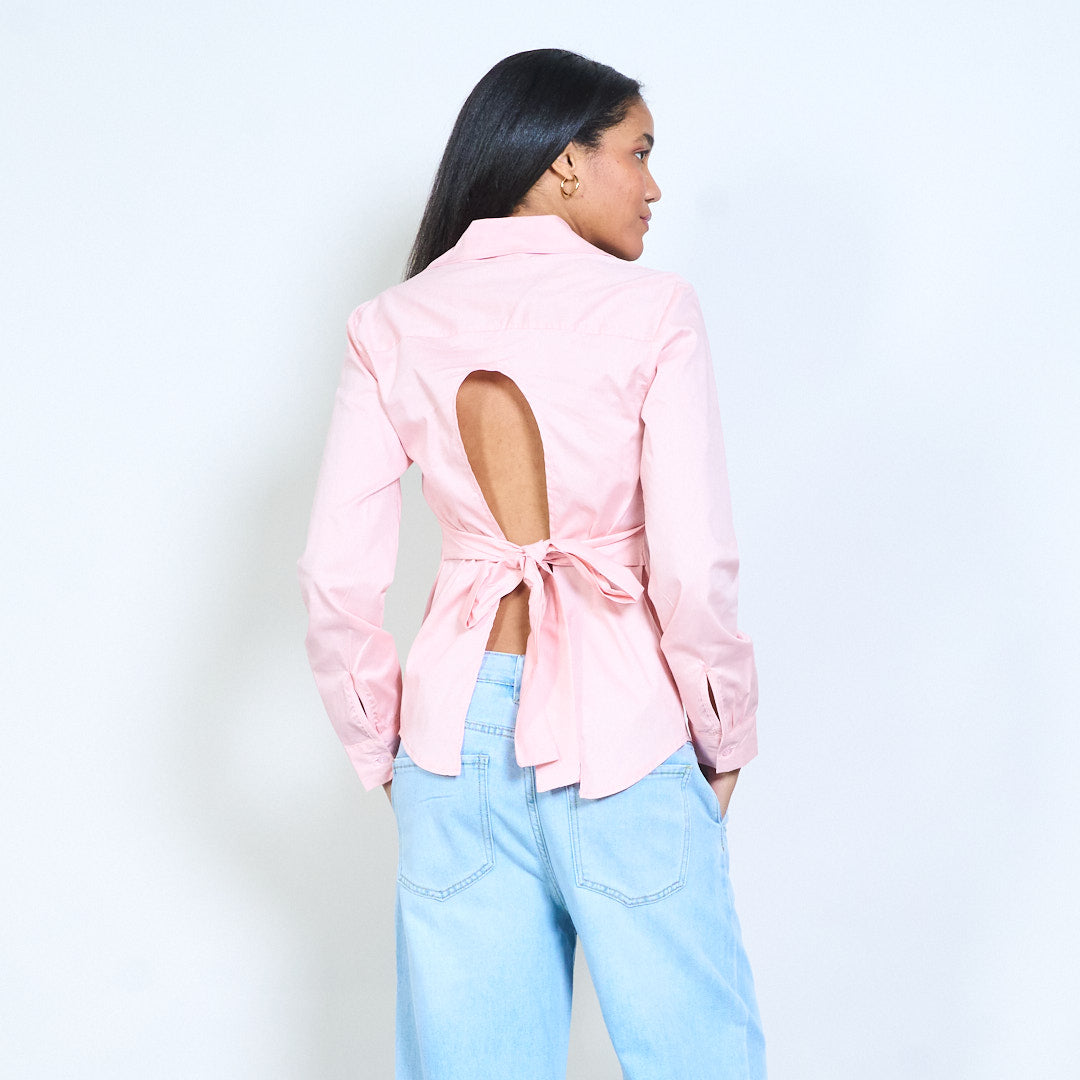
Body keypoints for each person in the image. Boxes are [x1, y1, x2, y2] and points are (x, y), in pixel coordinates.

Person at [297, 47, 766, 1080]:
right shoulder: (652, 310)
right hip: (623, 725)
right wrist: (723, 730)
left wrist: (385, 749)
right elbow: (692, 565)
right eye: (637, 153)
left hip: (451, 737)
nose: (653, 186)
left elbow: (335, 578)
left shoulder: (391, 323)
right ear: (565, 160)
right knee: (698, 1059)